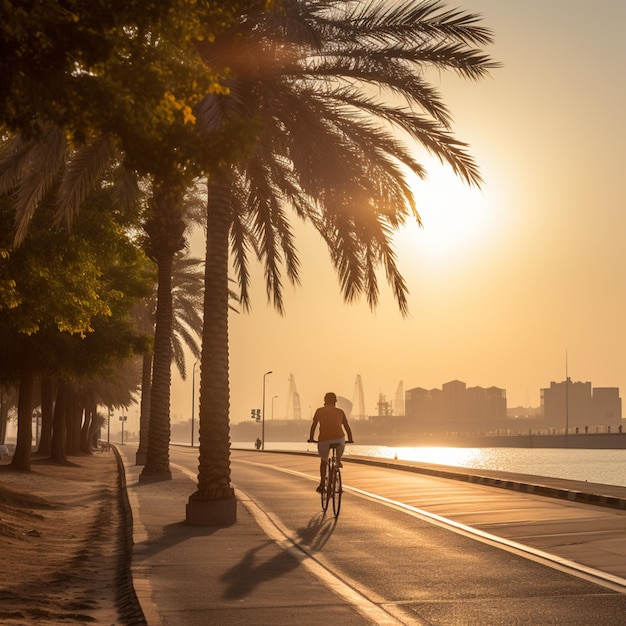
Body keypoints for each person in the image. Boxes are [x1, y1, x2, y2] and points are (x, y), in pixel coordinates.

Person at [308, 392, 354, 492]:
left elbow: (314, 426)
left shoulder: (319, 411)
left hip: (323, 440)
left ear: (324, 400)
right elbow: (346, 426)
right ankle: (338, 462)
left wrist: (311, 438)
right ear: (335, 401)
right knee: (338, 457)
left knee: (324, 462)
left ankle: (322, 484)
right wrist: (350, 439)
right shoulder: (340, 411)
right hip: (339, 440)